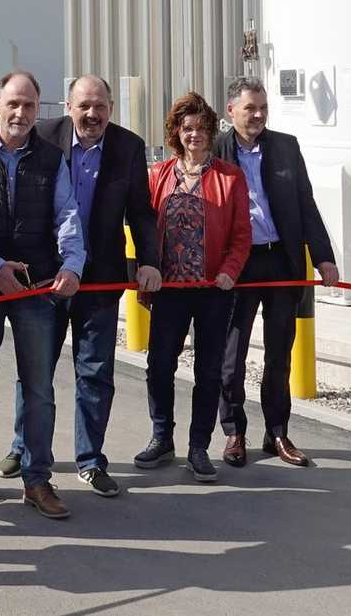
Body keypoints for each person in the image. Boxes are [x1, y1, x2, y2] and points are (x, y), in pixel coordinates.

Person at [0, 74, 161, 497]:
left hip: (101, 280)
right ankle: (23, 448)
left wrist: (149, 261)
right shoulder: (44, 138)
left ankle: (90, 460)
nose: (92, 114)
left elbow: (141, 213)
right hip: (47, 279)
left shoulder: (128, 148)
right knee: (36, 372)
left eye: (100, 106)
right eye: (84, 106)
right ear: (68, 107)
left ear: (111, 107)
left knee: (96, 372)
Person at [0, 70, 85, 519]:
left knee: (40, 388)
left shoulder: (50, 157)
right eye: (13, 104)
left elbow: (67, 213)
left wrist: (72, 264)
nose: (21, 113)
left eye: (29, 105)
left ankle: (37, 480)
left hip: (35, 285)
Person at [215, 76, 339, 468]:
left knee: (279, 354)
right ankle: (234, 432)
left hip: (281, 261)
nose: (258, 115)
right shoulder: (216, 151)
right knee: (231, 356)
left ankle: (278, 433)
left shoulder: (285, 147)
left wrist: (323, 257)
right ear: (231, 110)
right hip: (238, 265)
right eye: (250, 108)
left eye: (263, 108)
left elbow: (306, 203)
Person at [134, 92, 252, 483]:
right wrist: (147, 268)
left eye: (202, 128)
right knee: (159, 365)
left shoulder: (230, 178)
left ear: (211, 131)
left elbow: (241, 234)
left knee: (209, 370)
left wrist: (230, 271)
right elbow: (146, 231)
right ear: (176, 132)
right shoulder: (157, 176)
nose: (195, 135)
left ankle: (198, 446)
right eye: (187, 128)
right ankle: (161, 436)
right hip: (169, 289)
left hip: (212, 290)